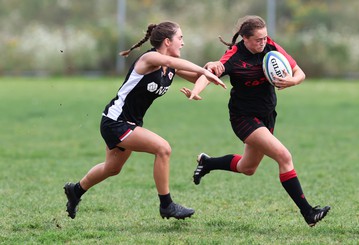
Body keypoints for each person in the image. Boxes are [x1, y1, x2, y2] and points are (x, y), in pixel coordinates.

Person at [63, 21, 226, 220]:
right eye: (180, 38)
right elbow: (178, 65)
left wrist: (209, 69)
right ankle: (167, 205)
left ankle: (76, 191)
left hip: (128, 123)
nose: (183, 43)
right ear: (167, 41)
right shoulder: (150, 58)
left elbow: (197, 77)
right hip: (115, 121)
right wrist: (204, 71)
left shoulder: (171, 66)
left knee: (112, 168)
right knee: (163, 148)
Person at [190, 15, 330, 227]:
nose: (263, 42)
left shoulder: (271, 47)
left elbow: (298, 71)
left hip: (267, 114)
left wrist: (292, 81)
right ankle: (309, 213)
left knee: (248, 167)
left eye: (265, 38)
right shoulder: (234, 56)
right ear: (245, 38)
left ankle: (207, 162)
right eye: (258, 39)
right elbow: (209, 73)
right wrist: (196, 91)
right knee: (284, 156)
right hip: (243, 116)